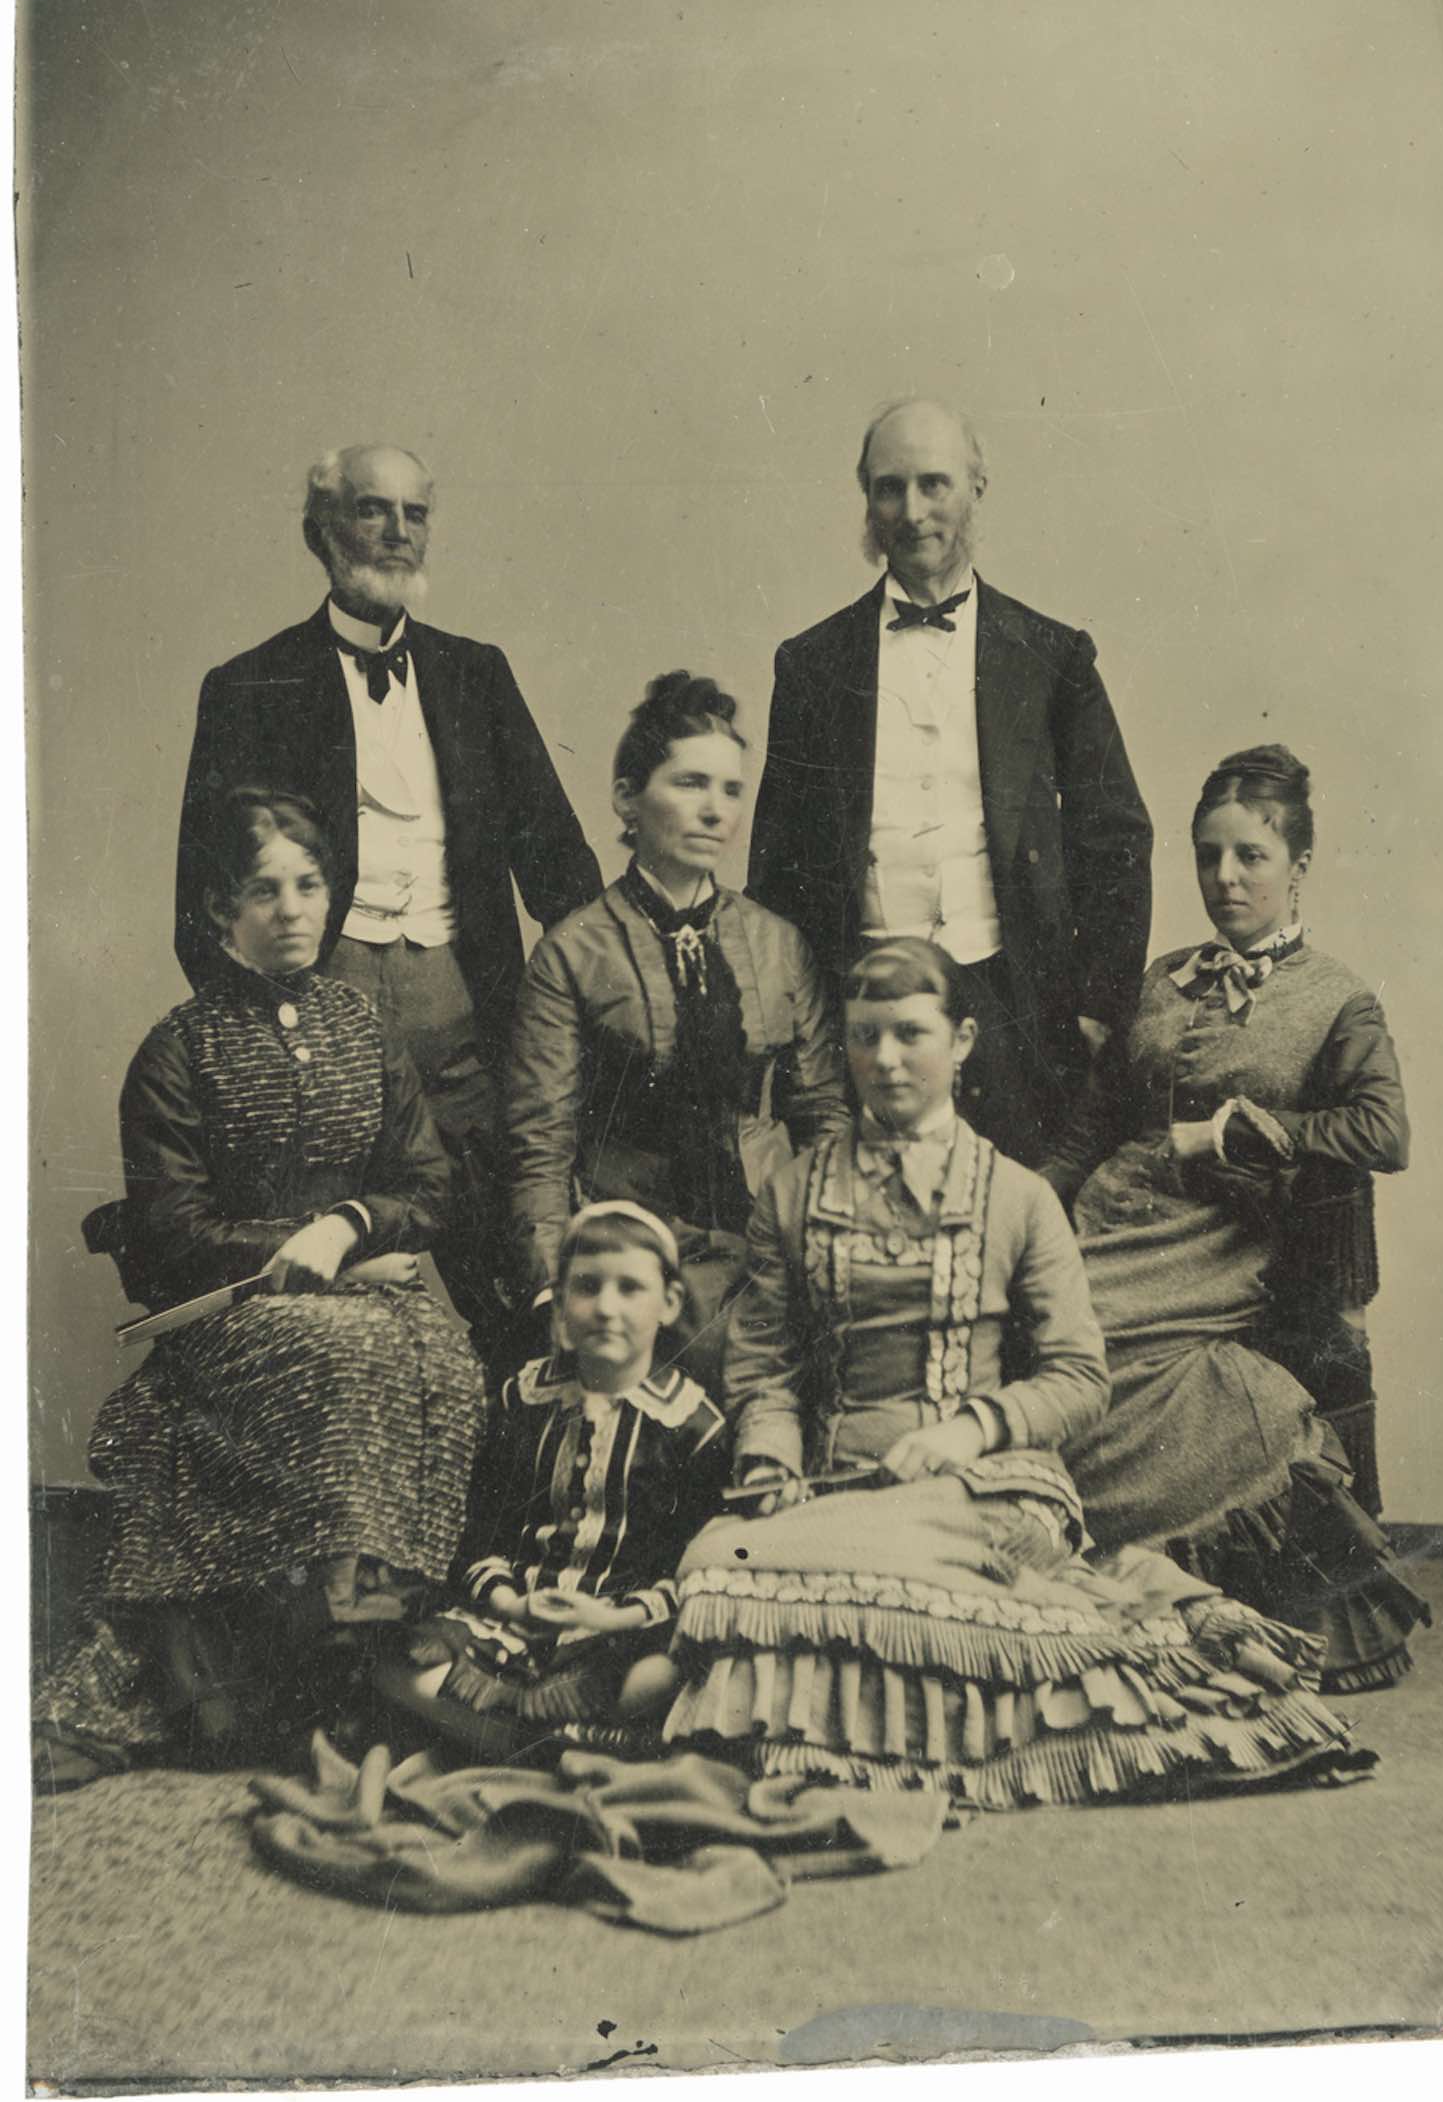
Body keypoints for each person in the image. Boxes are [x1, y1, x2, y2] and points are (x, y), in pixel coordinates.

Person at [663, 938, 1370, 1807]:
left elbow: (1079, 1376)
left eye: (910, 1035)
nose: (884, 1061)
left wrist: (970, 1427)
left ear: (960, 1042)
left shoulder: (1018, 1198)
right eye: (864, 1036)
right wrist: (768, 1460)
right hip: (832, 1484)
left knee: (820, 1578)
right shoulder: (795, 1193)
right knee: (715, 1563)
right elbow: (765, 1365)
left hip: (987, 1487)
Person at [35, 790, 485, 1787]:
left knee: (444, 1355)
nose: (291, 909)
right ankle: (327, 1668)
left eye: (309, 885)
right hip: (234, 1318)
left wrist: (352, 1224)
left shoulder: (366, 1028)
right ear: (218, 912)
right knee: (349, 1349)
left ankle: (379, 1647)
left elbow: (428, 1187)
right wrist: (306, 1247)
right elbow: (170, 1236)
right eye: (263, 890)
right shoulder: (179, 1049)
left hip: (372, 1291)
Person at [173, 445, 601, 1360]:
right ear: (321, 533)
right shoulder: (250, 685)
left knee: (517, 1289)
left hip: (464, 1021)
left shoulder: (477, 673)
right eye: (374, 511)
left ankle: (518, 1493)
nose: (397, 533)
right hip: (322, 1028)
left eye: (414, 513)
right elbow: (200, 911)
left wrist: (565, 1013)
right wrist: (278, 1041)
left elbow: (563, 868)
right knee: (325, 1302)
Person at [1059, 744, 1428, 1690]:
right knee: (1021, 1318)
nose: (1225, 878)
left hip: (1217, 1237)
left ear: (1297, 867)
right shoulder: (1165, 977)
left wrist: (1239, 1132)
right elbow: (1098, 1120)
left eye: (1250, 857)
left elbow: (1383, 1129)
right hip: (1112, 1212)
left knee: (1085, 1343)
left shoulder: (1335, 998)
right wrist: (1016, 1204)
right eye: (1208, 855)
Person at [746, 398, 1153, 1181]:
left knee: (1016, 1227)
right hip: (860, 1008)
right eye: (889, 488)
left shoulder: (1052, 654)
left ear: (977, 488)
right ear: (866, 499)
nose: (913, 511)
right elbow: (778, 862)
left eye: (935, 484)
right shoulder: (810, 665)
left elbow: (1116, 834)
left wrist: (1100, 1006)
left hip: (1017, 1005)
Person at [503, 672, 850, 1392]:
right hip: (641, 1246)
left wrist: (829, 1238)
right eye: (690, 783)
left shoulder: (779, 944)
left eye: (729, 790)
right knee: (733, 1363)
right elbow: (541, 1149)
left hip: (773, 1234)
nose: (715, 811)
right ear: (628, 798)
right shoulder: (572, 952)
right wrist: (550, 1288)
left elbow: (824, 1117)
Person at [378, 1202, 728, 1760]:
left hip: (614, 1627)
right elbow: (481, 1528)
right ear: (561, 1304)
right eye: (587, 1287)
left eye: (630, 1289)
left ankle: (500, 1738)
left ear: (670, 1304)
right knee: (403, 1664)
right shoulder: (525, 1398)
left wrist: (612, 1615)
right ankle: (549, 1747)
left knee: (661, 1679)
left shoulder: (691, 1425)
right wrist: (510, 1601)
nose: (606, 1308)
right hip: (513, 1617)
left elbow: (692, 1563)